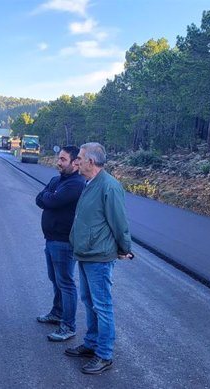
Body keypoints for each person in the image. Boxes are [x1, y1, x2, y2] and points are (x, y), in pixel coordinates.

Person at [66, 142, 134, 375]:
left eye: (80, 158)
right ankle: (91, 343)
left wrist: (125, 248)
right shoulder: (90, 183)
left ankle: (104, 355)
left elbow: (119, 222)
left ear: (91, 162)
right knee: (88, 300)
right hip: (85, 253)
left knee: (102, 306)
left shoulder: (109, 186)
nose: (77, 161)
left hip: (99, 256)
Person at [35, 145, 85, 342]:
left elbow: (51, 201)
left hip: (64, 241)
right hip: (51, 239)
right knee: (55, 280)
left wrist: (50, 196)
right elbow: (40, 199)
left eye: (63, 160)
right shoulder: (57, 180)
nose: (59, 162)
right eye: (59, 159)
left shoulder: (76, 183)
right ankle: (57, 313)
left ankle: (69, 326)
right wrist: (50, 196)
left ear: (75, 162)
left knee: (65, 283)